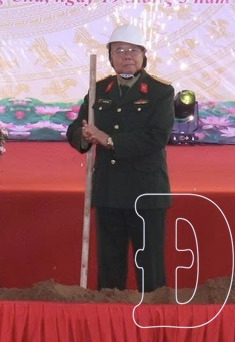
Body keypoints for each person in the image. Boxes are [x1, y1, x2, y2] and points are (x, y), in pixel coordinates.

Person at [66, 22, 174, 292]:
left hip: (146, 190)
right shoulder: (99, 90)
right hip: (109, 189)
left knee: (150, 268)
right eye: (120, 51)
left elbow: (156, 137)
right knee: (110, 269)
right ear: (111, 57)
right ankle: (109, 315)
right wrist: (84, 135)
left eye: (133, 50)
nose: (127, 56)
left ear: (144, 56)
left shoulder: (160, 92)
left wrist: (109, 140)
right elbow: (77, 127)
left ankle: (152, 316)